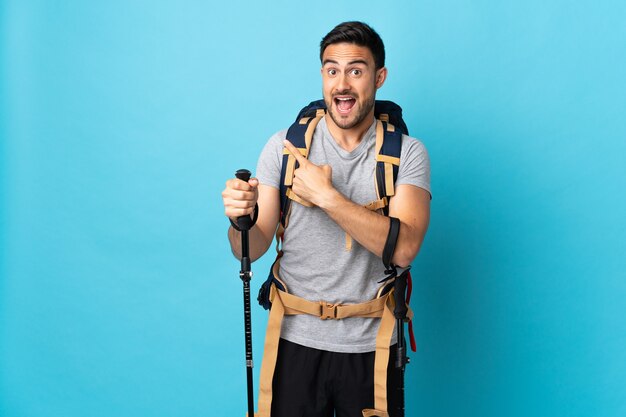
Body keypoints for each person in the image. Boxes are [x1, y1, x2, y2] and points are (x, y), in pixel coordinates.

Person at [222, 21, 431, 417]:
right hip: (293, 340)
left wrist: (328, 198)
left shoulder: (408, 153)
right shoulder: (284, 147)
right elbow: (251, 248)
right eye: (332, 70)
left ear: (379, 77)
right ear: (322, 75)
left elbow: (404, 249)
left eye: (356, 69)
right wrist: (240, 221)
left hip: (372, 344)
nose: (342, 84)